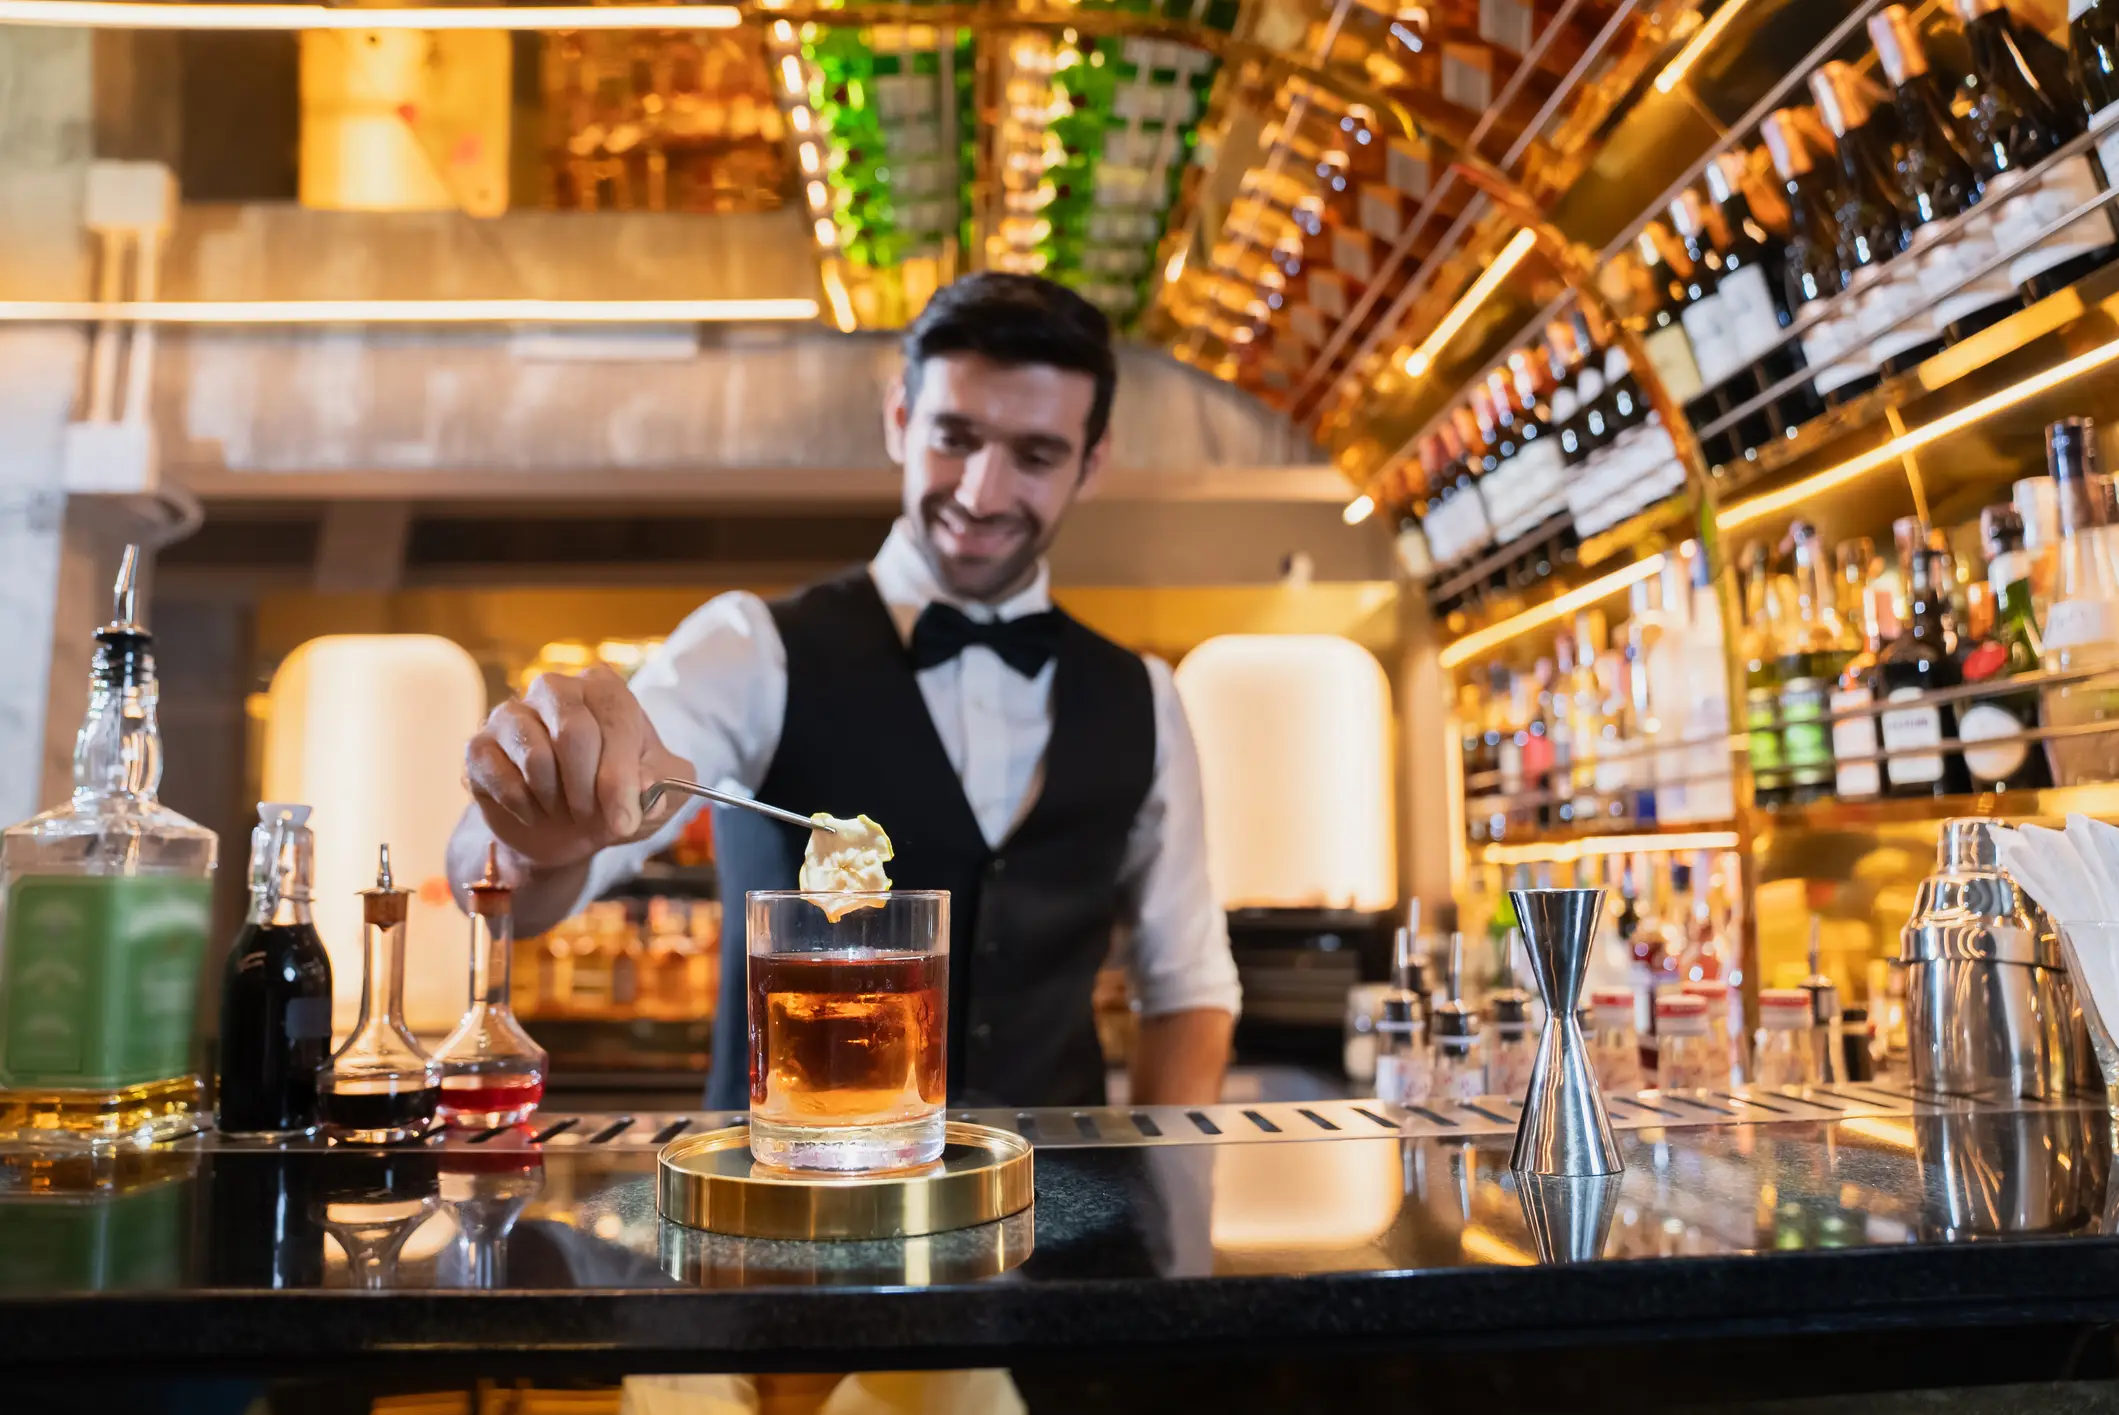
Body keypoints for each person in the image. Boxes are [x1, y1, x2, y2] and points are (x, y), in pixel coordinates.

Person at [448, 272, 1239, 1109]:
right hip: (791, 1213)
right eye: (955, 437)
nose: (980, 492)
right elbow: (505, 882)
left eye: (1035, 456)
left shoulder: (1143, 695)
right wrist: (547, 823)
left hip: (1058, 1220)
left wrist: (1163, 1212)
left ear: (1092, 461)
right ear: (901, 419)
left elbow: (1187, 985)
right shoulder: (753, 647)